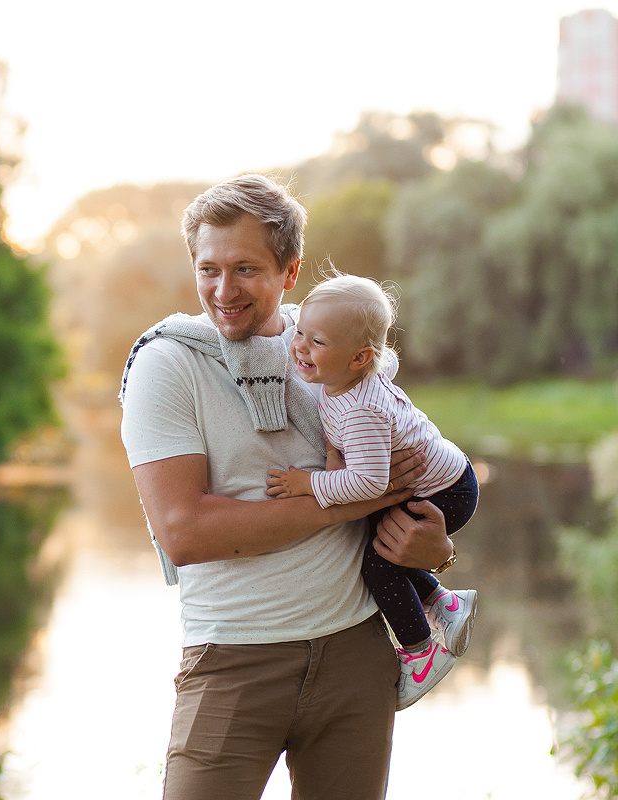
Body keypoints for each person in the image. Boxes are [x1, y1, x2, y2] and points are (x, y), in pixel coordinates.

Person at [118, 174, 456, 800]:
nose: (224, 290)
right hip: (233, 658)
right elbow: (186, 532)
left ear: (289, 270)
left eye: (245, 268)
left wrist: (433, 551)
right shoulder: (167, 366)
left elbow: (409, 464)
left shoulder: (335, 341)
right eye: (208, 268)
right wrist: (344, 499)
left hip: (356, 653)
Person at [265, 273, 479, 710]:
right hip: (445, 476)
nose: (300, 347)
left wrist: (307, 483)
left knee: (380, 564)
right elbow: (360, 393)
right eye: (299, 333)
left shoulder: (362, 408)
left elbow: (368, 483)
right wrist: (331, 450)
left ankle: (421, 655)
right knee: (381, 543)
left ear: (360, 357)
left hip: (446, 491)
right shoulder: (342, 379)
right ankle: (444, 602)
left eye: (317, 342)